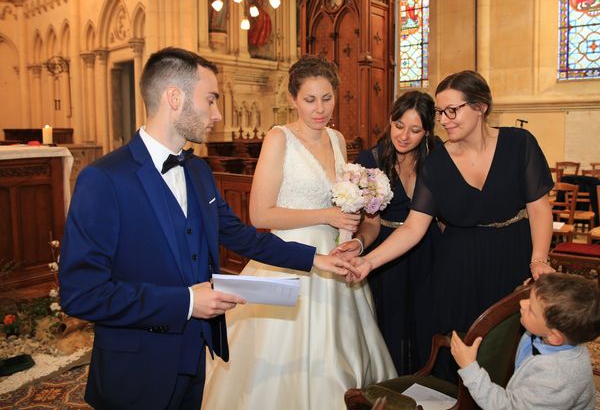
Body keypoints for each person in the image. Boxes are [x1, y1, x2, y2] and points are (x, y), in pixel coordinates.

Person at [58, 47, 355, 410]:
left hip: (195, 355)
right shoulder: (104, 178)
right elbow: (81, 293)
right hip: (136, 368)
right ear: (174, 97)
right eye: (211, 99)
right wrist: (186, 301)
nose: (217, 114)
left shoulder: (198, 171)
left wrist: (316, 260)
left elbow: (241, 236)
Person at [202, 55, 397, 409]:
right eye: (310, 100)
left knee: (341, 348)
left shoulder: (337, 139)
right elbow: (260, 213)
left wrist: (352, 233)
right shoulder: (279, 139)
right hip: (289, 255)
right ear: (293, 99)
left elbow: (344, 202)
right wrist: (329, 214)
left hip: (335, 256)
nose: (320, 109)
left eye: (327, 98)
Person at [346, 70, 555, 379]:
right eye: (441, 112)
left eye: (451, 110)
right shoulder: (438, 162)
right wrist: (368, 261)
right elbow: (414, 227)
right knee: (462, 349)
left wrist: (539, 260)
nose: (444, 119)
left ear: (480, 106)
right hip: (458, 267)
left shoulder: (519, 143)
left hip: (513, 255)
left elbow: (539, 209)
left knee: (512, 349)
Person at [337, 90, 441, 374]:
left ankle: (429, 386)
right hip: (386, 252)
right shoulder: (370, 160)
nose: (404, 136)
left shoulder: (436, 156)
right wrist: (359, 244)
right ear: (390, 120)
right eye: (399, 125)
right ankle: (395, 388)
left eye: (415, 130)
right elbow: (370, 223)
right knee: (391, 324)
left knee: (427, 321)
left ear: (427, 131)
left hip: (428, 247)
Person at [450, 273, 600, 409]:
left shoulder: (554, 379)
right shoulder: (557, 335)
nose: (522, 303)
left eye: (531, 309)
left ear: (554, 337)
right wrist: (530, 292)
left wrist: (469, 367)